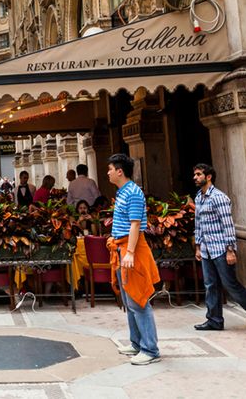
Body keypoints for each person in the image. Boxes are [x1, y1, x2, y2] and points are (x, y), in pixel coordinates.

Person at [192, 163, 246, 333]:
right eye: (195, 175)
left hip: (221, 249)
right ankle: (214, 320)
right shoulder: (199, 197)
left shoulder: (219, 198)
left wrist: (230, 250)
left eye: (198, 174)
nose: (195, 177)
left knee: (231, 285)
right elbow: (199, 224)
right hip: (206, 249)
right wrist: (198, 246)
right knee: (211, 285)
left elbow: (228, 225)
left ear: (208, 176)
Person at [107, 153, 160, 365]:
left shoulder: (134, 193)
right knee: (130, 301)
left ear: (120, 171)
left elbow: (135, 224)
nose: (108, 173)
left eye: (110, 169)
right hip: (121, 249)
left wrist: (129, 252)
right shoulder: (122, 192)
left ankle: (150, 349)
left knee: (139, 300)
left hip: (132, 250)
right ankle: (137, 343)